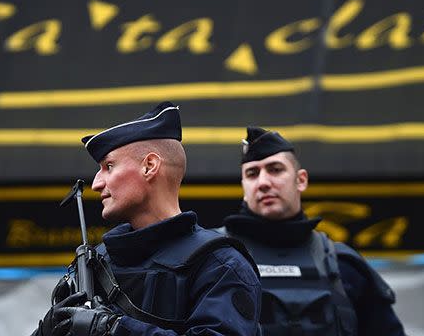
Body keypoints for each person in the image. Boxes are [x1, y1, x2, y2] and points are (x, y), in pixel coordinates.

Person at [30, 102, 262, 336]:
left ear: (149, 166)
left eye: (109, 166)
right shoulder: (97, 263)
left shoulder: (220, 265)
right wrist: (47, 331)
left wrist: (115, 329)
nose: (97, 183)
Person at [217, 126, 406, 336]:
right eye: (252, 174)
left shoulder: (344, 266)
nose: (263, 182)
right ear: (244, 187)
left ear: (301, 180)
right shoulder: (213, 259)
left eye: (275, 169)